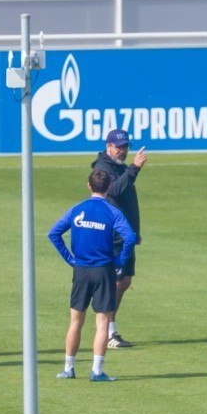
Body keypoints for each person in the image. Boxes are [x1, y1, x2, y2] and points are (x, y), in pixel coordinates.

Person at [48, 169, 137, 382]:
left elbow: (54, 233)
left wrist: (70, 258)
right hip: (104, 270)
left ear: (89, 186)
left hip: (81, 270)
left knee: (75, 321)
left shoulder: (78, 209)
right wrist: (120, 261)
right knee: (102, 322)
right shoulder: (112, 211)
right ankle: (97, 371)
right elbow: (130, 237)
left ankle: (68, 368)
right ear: (108, 188)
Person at [93, 128, 147, 349]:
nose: (123, 150)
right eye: (119, 146)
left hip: (125, 236)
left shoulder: (119, 167)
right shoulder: (103, 168)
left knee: (124, 281)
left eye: (125, 146)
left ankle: (109, 328)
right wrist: (135, 168)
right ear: (108, 146)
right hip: (113, 236)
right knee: (115, 282)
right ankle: (106, 331)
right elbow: (113, 190)